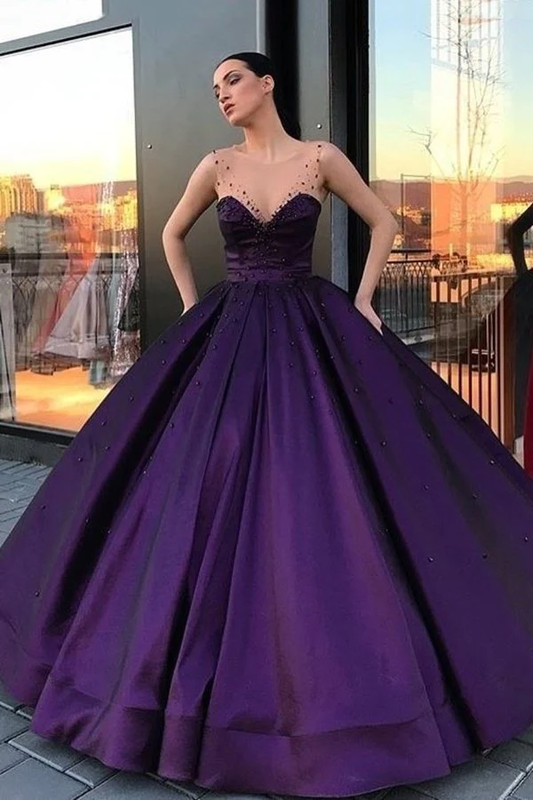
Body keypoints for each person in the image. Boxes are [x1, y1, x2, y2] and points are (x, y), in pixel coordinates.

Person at [1, 51, 533, 799]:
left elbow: (382, 222)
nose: (221, 93)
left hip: (309, 320)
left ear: (267, 83)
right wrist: (194, 307)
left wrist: (364, 301)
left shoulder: (321, 158)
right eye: (214, 86)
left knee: (325, 470)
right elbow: (171, 235)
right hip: (230, 325)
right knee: (206, 473)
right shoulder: (214, 165)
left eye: (232, 80)